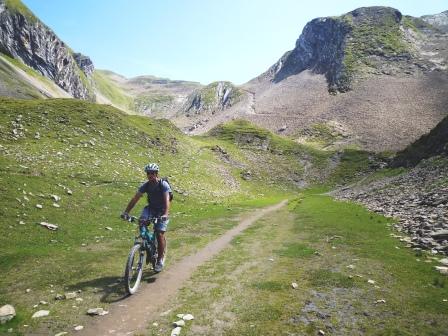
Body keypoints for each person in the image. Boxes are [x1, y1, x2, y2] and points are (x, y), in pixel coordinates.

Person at [121, 163, 171, 272]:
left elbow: (167, 200)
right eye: (148, 173)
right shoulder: (146, 185)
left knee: (159, 233)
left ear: (156, 174)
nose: (150, 175)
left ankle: (159, 260)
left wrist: (165, 214)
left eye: (152, 173)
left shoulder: (163, 185)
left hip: (162, 210)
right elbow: (135, 198)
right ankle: (147, 248)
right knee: (142, 222)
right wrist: (126, 212)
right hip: (151, 208)